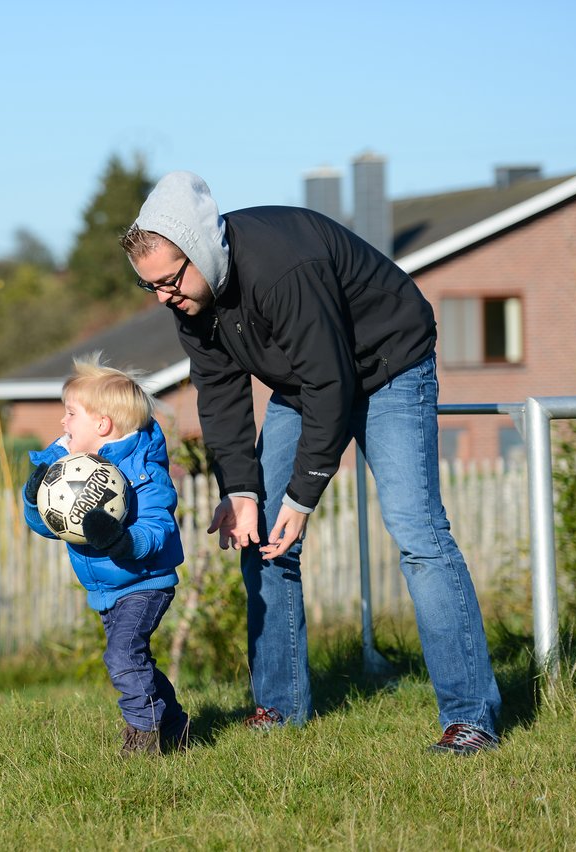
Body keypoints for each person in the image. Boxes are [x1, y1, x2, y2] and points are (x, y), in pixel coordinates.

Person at [119, 171, 503, 756]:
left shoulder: (282, 267)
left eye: (170, 281)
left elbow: (333, 382)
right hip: (304, 383)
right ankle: (280, 708)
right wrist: (241, 491)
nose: (166, 297)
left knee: (418, 535)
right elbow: (219, 394)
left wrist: (302, 497)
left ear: (199, 250)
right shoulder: (191, 301)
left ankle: (471, 718)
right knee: (263, 539)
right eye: (152, 289)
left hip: (387, 365)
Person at [22, 352, 190, 755]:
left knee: (122, 656)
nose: (63, 423)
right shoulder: (64, 463)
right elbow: (50, 525)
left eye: (70, 414)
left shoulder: (144, 471)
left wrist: (121, 542)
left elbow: (158, 528)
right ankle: (176, 726)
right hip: (107, 588)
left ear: (102, 424)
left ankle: (142, 737)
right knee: (136, 659)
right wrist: (33, 501)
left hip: (144, 580)